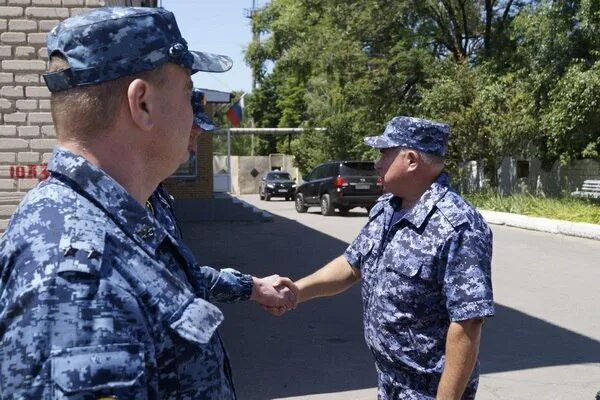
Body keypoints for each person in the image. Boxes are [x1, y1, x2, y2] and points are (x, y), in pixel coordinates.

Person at [0, 7, 297, 399]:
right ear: (141, 103)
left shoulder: (117, 215)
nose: (194, 121)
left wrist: (250, 287)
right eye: (187, 93)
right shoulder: (79, 277)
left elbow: (172, 280)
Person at [280, 116, 494, 399]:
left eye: (384, 153)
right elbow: (352, 264)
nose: (377, 163)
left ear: (411, 159)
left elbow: (467, 323)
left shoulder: (457, 225)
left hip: (427, 392)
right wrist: (297, 291)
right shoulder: (387, 208)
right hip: (389, 384)